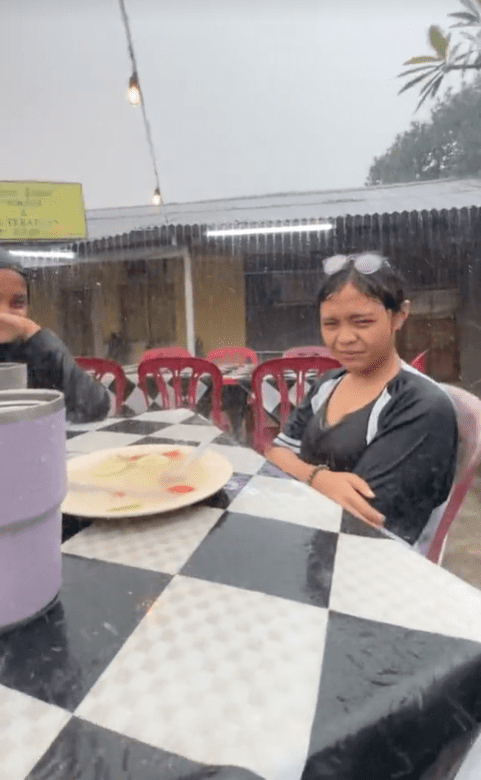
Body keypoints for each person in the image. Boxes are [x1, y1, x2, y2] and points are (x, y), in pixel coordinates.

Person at [266, 252, 458, 547]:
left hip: (371, 559)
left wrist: (300, 473)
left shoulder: (422, 406)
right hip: (313, 534)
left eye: (362, 322)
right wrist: (318, 478)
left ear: (399, 315)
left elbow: (364, 522)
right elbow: (275, 454)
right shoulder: (328, 384)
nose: (344, 338)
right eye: (331, 324)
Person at [0, 250, 111, 423]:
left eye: (18, 303)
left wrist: (33, 333)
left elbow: (96, 404)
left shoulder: (35, 352)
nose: (5, 314)